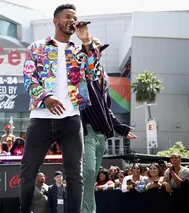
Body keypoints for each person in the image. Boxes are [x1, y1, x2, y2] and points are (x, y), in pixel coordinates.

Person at [19, 4, 100, 213]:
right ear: (56, 21)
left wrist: (86, 41)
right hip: (41, 118)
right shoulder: (37, 47)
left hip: (71, 119)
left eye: (74, 17)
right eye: (67, 16)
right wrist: (45, 97)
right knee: (28, 171)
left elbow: (93, 75)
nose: (72, 20)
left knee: (76, 175)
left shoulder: (79, 51)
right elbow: (28, 77)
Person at [80, 37, 137, 213]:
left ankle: (89, 211)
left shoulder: (104, 75)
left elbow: (106, 109)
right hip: (87, 130)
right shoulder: (81, 71)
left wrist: (122, 129)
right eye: (95, 49)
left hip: (101, 135)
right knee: (88, 173)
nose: (99, 52)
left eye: (100, 49)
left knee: (91, 179)